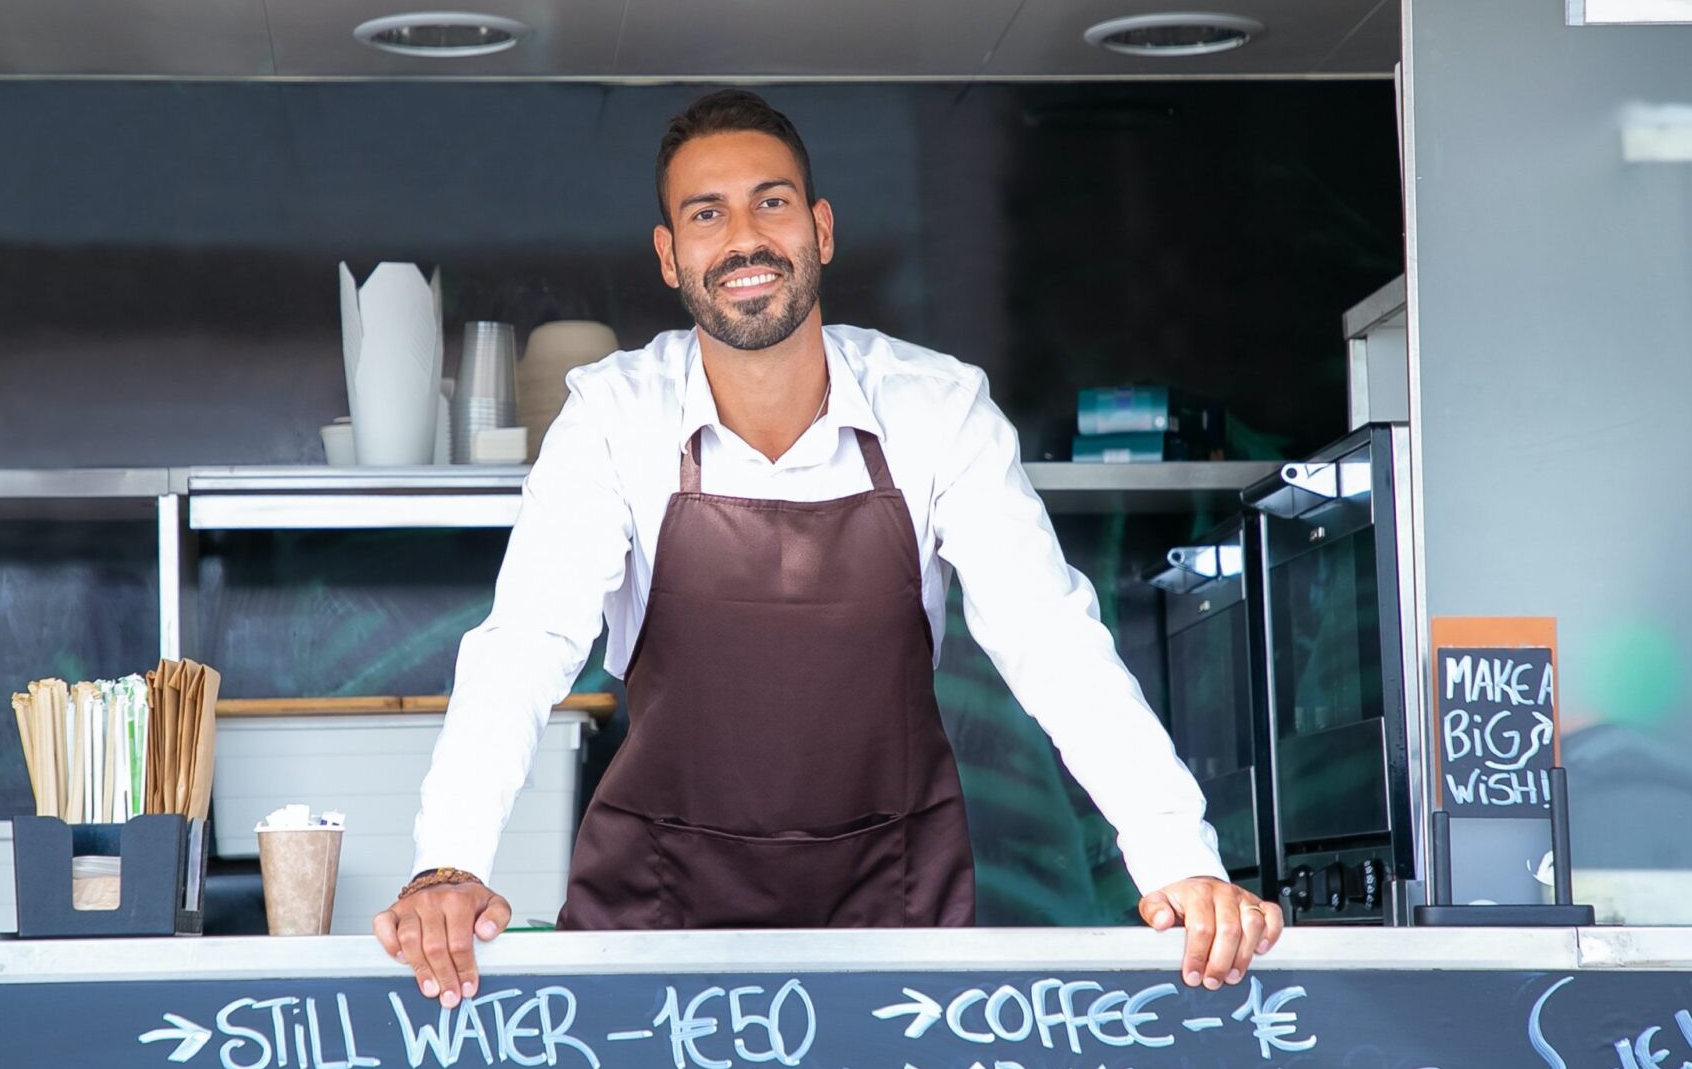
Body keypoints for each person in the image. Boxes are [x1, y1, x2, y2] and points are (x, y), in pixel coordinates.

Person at [374, 89, 1283, 1007]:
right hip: (651, 924)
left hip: (892, 922)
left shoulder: (935, 406)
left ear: (821, 229)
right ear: (669, 256)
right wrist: (445, 864)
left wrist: (1178, 859)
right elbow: (523, 648)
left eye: (771, 202)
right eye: (706, 213)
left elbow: (1050, 641)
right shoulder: (615, 414)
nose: (743, 238)